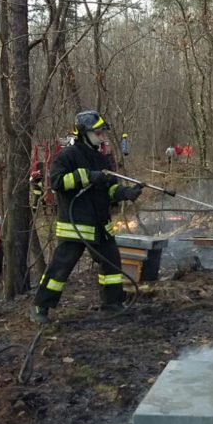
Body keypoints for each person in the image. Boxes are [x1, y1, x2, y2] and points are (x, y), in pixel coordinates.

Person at [28, 110, 143, 324]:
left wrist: (125, 193)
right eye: (97, 131)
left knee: (112, 264)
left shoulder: (102, 159)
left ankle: (112, 303)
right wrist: (87, 176)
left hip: (100, 225)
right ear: (84, 133)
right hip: (76, 226)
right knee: (61, 267)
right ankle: (40, 306)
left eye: (102, 132)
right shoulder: (68, 156)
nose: (102, 135)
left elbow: (108, 189)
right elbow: (57, 182)